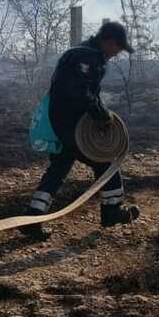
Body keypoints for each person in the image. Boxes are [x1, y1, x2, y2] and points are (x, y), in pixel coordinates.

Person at [20, 21, 140, 241]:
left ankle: (33, 216)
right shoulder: (87, 58)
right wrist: (100, 115)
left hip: (61, 121)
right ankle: (112, 211)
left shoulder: (82, 54)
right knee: (105, 160)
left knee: (59, 168)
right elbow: (80, 92)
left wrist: (97, 109)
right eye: (118, 48)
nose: (117, 53)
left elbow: (81, 91)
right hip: (71, 125)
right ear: (110, 41)